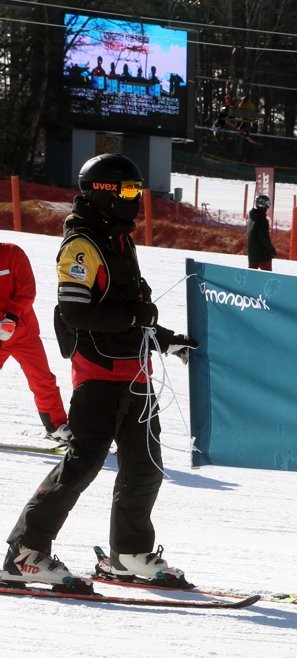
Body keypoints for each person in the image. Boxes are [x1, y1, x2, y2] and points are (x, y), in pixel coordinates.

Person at [2, 153, 199, 589]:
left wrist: (165, 339)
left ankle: (126, 554)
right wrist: (135, 319)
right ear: (105, 193)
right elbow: (76, 312)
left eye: (136, 190)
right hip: (98, 375)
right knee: (82, 464)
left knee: (145, 467)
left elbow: (133, 307)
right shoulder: (81, 246)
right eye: (128, 190)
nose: (135, 198)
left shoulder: (119, 240)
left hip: (136, 374)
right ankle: (25, 553)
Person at [0, 242, 72, 445]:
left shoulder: (12, 253)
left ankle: (56, 426)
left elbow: (27, 290)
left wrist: (11, 317)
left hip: (24, 333)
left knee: (42, 379)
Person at [246, 194, 276, 271]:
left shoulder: (252, 217)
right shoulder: (262, 220)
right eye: (267, 204)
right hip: (263, 254)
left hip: (252, 252)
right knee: (266, 277)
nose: (268, 207)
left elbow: (249, 233)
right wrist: (271, 249)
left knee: (252, 277)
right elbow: (264, 237)